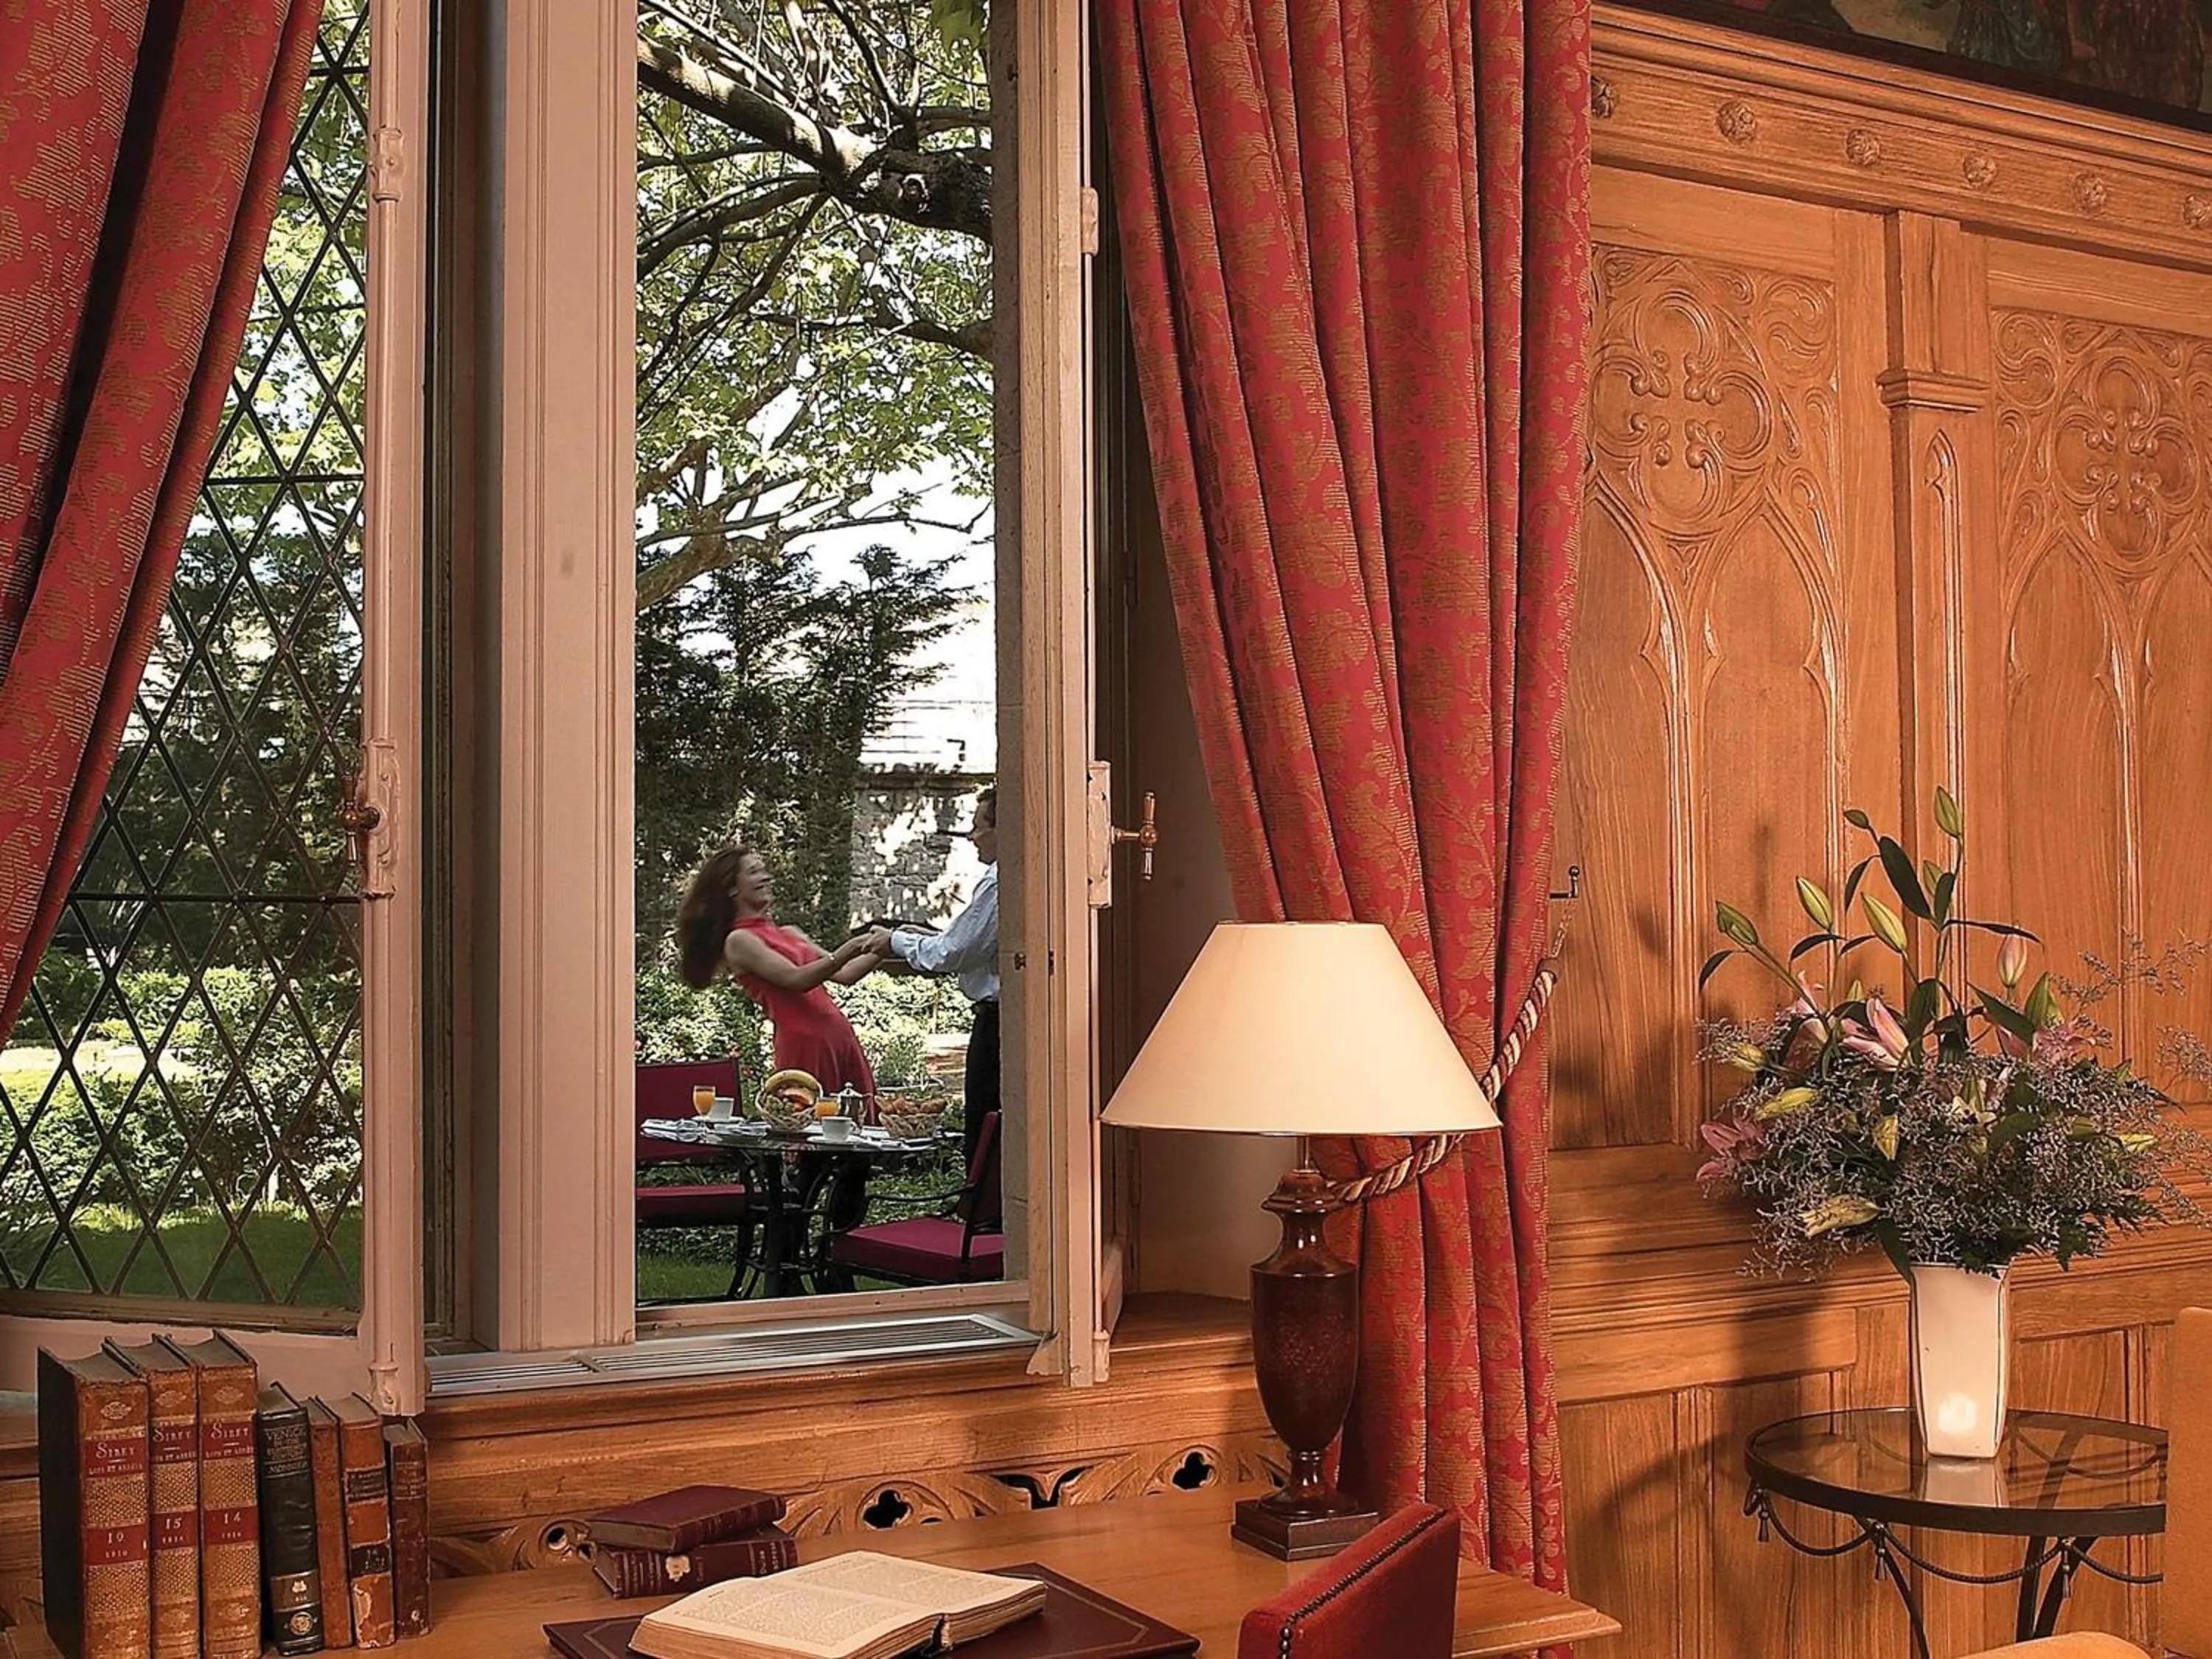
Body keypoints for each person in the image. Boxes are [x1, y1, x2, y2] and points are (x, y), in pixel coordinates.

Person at [677, 846, 882, 1109]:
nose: (765, 877)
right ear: (732, 888)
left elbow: (845, 973)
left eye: (763, 870)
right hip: (804, 1044)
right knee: (812, 1131)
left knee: (860, 1124)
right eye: (754, 871)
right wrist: (854, 946)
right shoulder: (739, 941)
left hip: (839, 1036)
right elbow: (797, 979)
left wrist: (896, 944)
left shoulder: (789, 933)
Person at [863, 787, 998, 1164]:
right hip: (999, 1020)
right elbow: (966, 943)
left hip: (998, 1025)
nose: (972, 836)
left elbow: (954, 952)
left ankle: (984, 1216)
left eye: (978, 826)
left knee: (986, 1126)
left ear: (1002, 830)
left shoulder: (999, 880)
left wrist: (895, 942)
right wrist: (912, 937)